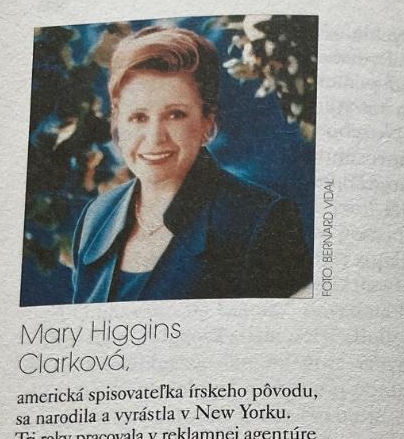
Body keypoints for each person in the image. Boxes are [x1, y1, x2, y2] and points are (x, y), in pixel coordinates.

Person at [69, 25, 311, 302]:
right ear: (117, 124)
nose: (155, 137)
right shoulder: (96, 217)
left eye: (175, 115)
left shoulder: (261, 220)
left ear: (207, 122)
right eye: (138, 117)